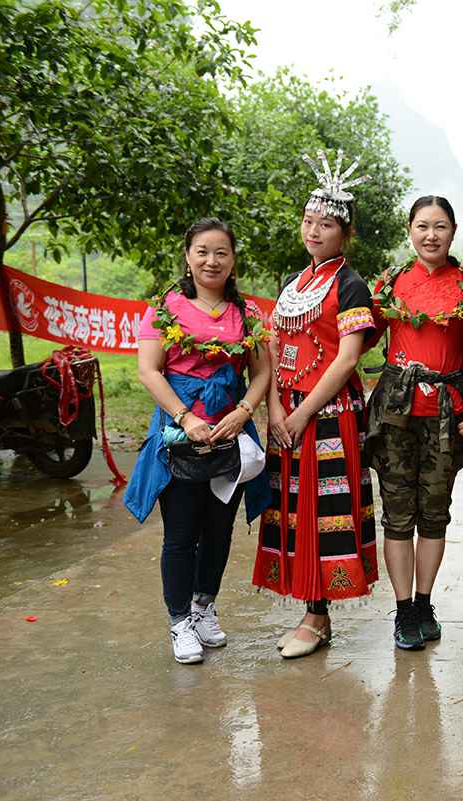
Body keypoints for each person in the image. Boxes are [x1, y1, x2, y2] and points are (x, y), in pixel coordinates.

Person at [125, 218, 271, 664]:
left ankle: (203, 606)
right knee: (181, 533)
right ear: (188, 257)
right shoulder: (165, 309)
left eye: (221, 252)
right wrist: (185, 417)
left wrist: (243, 411)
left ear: (233, 260)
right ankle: (179, 621)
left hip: (230, 434)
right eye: (202, 251)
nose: (212, 260)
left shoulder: (247, 313)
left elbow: (262, 371)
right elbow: (149, 370)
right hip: (180, 436)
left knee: (220, 530)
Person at [251, 150, 378, 659]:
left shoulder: (351, 285)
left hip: (329, 415)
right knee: (292, 509)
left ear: (345, 233)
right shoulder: (293, 283)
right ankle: (310, 608)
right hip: (288, 411)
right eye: (308, 221)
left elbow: (348, 358)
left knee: (323, 511)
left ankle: (317, 617)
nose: (314, 230)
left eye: (326, 224)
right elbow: (274, 348)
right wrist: (276, 409)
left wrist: (303, 413)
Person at [367, 195, 463, 651]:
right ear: (410, 230)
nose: (431, 235)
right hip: (395, 413)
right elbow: (359, 339)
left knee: (435, 513)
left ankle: (424, 604)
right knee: (398, 514)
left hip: (448, 413)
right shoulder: (390, 284)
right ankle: (403, 611)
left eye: (440, 226)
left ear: (453, 231)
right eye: (422, 226)